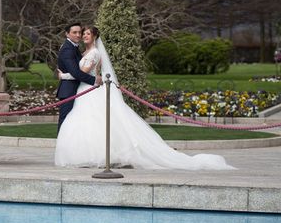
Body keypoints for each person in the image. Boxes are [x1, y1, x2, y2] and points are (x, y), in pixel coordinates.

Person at [55, 26, 235, 170]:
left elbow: (79, 73)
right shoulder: (83, 52)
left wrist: (63, 76)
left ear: (94, 37)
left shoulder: (93, 53)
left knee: (93, 122)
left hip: (89, 89)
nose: (83, 36)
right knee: (92, 123)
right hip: (86, 90)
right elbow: (79, 71)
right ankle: (92, 154)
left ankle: (96, 155)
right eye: (81, 33)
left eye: (86, 33)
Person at [56, 23, 102, 131]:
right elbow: (76, 72)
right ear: (67, 34)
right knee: (65, 121)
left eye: (79, 33)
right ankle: (62, 147)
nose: (78, 35)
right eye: (74, 32)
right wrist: (94, 80)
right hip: (69, 90)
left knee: (73, 122)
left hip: (79, 89)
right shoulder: (68, 48)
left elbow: (78, 71)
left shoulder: (78, 48)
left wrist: (62, 75)